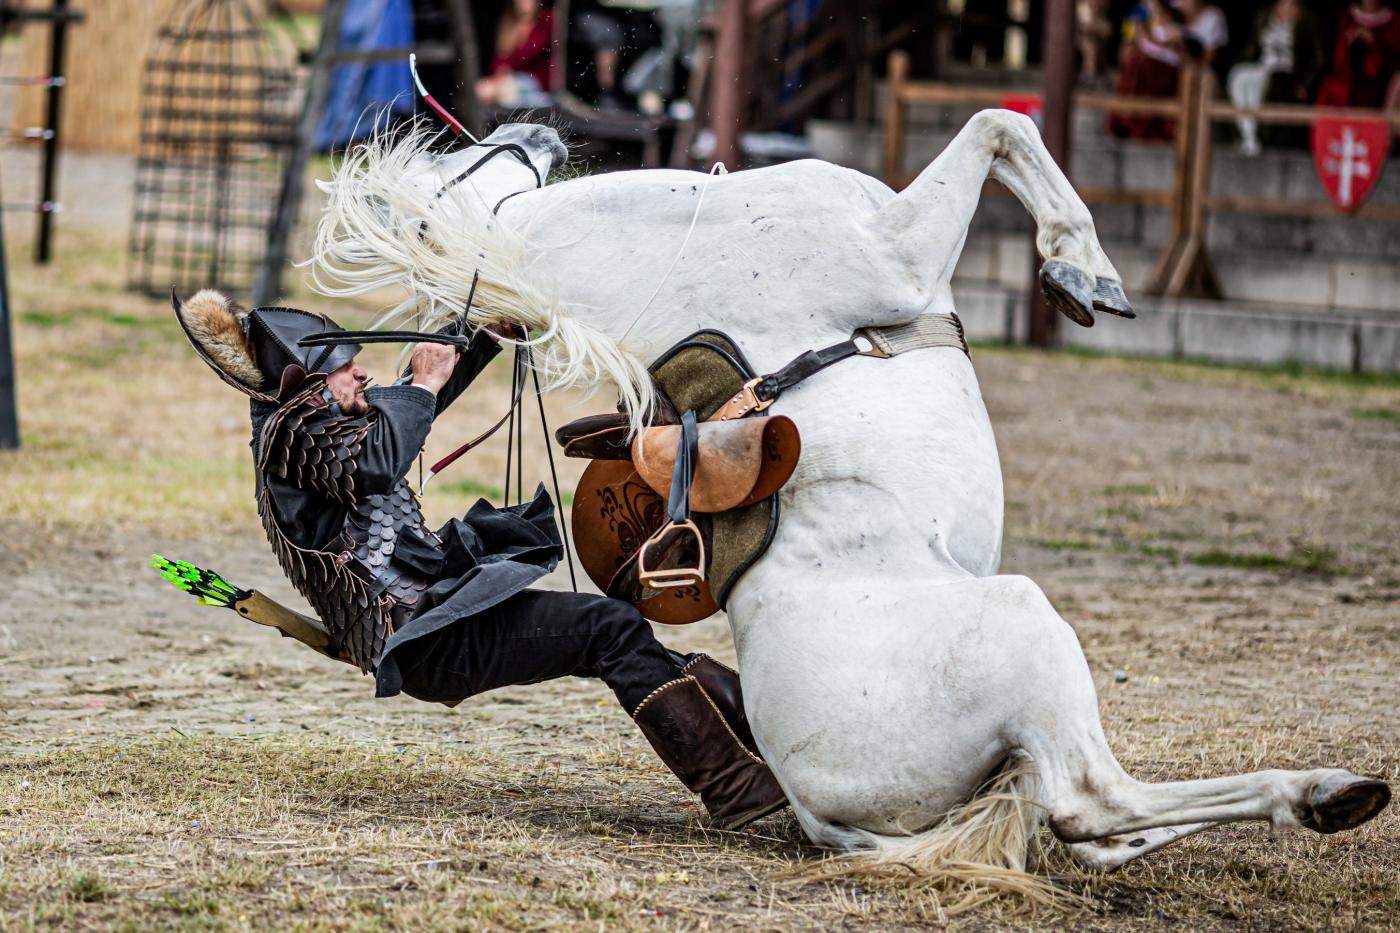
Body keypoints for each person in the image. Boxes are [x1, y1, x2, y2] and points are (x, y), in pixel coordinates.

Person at [171, 290, 788, 831]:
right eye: (342, 368)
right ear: (306, 385)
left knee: (627, 647)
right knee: (611, 629)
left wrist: (486, 332)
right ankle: (735, 788)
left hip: (442, 619)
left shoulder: (323, 422)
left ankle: (778, 747)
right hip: (427, 641)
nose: (359, 372)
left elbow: (410, 406)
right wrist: (421, 384)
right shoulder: (293, 440)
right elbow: (383, 454)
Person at [1108, 0, 1227, 141]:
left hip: (1176, 70)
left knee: (1139, 67)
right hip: (1148, 68)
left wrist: (1175, 50)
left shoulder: (1208, 18)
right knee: (1134, 65)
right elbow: (1132, 41)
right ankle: (1128, 121)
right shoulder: (1164, 9)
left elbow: (1203, 58)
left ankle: (1135, 123)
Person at [1226, 0, 1325, 155]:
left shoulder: (1308, 20)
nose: (1287, 9)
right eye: (1283, 5)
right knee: (1238, 75)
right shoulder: (1264, 16)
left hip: (1288, 72)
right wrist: (1240, 62)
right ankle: (1246, 133)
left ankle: (1253, 138)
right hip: (1263, 65)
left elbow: (1317, 58)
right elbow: (1252, 47)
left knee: (1260, 85)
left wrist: (1305, 84)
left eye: (1292, 5)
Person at [1316, 1, 1400, 110]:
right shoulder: (1347, 17)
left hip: (1379, 83)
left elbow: (1393, 58)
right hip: (1348, 81)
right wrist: (1350, 40)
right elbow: (1338, 59)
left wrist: (1374, 43)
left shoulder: (1393, 20)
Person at [476, 0, 555, 109]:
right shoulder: (509, 25)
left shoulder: (546, 20)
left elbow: (530, 53)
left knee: (501, 91)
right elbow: (499, 60)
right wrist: (501, 71)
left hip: (536, 82)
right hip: (510, 79)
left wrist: (508, 68)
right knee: (479, 89)